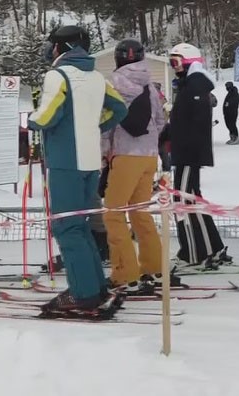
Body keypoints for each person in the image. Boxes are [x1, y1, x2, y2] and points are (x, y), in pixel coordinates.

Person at [29, 25, 128, 316]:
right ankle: (94, 286)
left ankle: (83, 293)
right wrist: (94, 126)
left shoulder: (57, 75)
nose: (51, 51)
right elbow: (119, 108)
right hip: (89, 162)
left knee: (66, 227)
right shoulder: (96, 77)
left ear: (64, 48)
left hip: (64, 162)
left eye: (54, 45)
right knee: (80, 226)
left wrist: (31, 121)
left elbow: (46, 116)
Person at [100, 38, 167, 293]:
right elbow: (160, 120)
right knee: (140, 212)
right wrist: (150, 144)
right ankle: (155, 268)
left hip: (124, 154)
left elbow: (106, 123)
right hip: (148, 156)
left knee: (113, 213)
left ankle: (124, 273)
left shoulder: (112, 83)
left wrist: (106, 154)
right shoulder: (150, 85)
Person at [167, 42, 230, 269]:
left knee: (183, 201)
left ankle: (195, 253)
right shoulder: (190, 86)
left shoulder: (194, 87)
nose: (174, 67)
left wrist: (179, 142)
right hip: (185, 152)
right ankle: (211, 248)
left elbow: (193, 124)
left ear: (188, 62)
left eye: (176, 62)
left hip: (188, 154)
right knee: (191, 198)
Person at [223, 81, 239, 145]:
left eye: (227, 86)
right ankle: (232, 137)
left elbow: (235, 101)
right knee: (228, 124)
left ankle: (236, 138)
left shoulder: (234, 92)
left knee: (232, 124)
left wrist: (229, 104)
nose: (226, 88)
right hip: (228, 112)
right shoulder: (230, 93)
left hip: (232, 112)